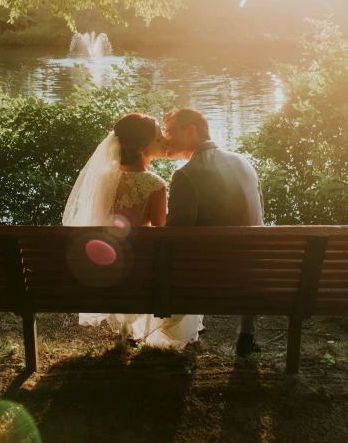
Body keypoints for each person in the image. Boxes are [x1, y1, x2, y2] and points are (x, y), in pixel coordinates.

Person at [63, 112, 201, 349]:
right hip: (142, 271)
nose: (165, 141)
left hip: (108, 268)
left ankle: (128, 330)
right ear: (142, 148)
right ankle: (158, 333)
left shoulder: (104, 178)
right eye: (159, 139)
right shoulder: (155, 185)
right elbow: (161, 234)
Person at [163, 107, 265, 357]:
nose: (166, 139)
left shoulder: (186, 175)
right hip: (256, 273)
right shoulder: (244, 162)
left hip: (215, 277)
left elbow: (174, 236)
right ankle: (247, 335)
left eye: (169, 132)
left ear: (190, 131)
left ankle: (178, 332)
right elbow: (257, 214)